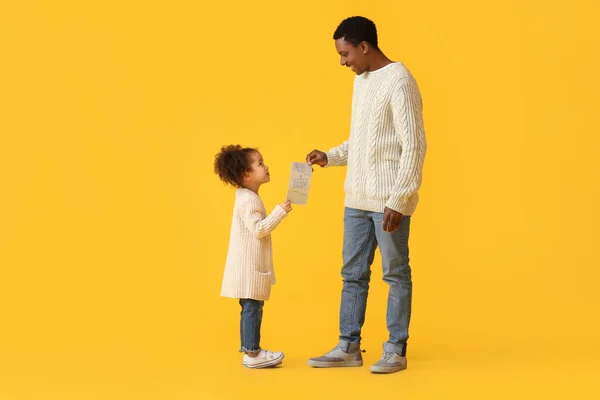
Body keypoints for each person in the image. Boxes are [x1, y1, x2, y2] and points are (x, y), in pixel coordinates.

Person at [306, 16, 427, 374]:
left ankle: (395, 349)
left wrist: (400, 199)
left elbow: (415, 146)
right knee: (352, 274)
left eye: (345, 54)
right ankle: (348, 347)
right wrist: (331, 156)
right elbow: (362, 140)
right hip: (356, 198)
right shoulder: (363, 81)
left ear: (364, 46)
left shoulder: (400, 81)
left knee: (395, 273)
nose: (342, 62)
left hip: (388, 201)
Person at [214, 145, 292, 368]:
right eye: (260, 163)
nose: (266, 166)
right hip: (248, 269)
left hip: (250, 267)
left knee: (252, 308)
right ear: (246, 174)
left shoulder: (247, 196)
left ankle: (252, 350)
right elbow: (259, 229)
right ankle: (252, 352)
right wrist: (280, 211)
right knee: (251, 308)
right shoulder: (248, 200)